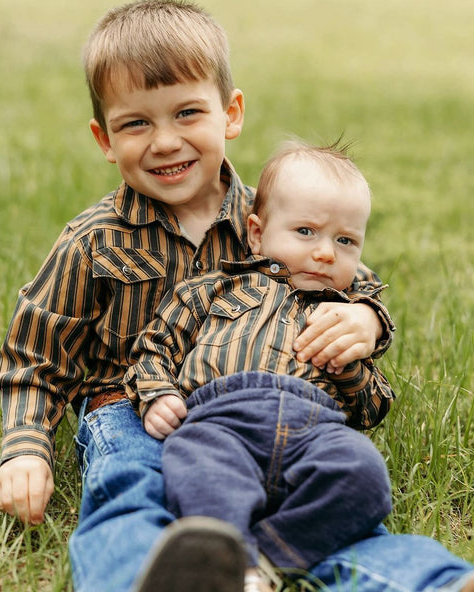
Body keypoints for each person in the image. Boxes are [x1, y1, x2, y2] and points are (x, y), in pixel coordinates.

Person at [0, 0, 474, 592]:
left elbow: (349, 276)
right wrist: (25, 450)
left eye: (187, 112)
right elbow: (35, 358)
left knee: (336, 510)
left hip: (277, 408)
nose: (165, 142)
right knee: (130, 486)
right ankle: (144, 576)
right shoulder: (93, 241)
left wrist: (367, 321)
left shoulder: (278, 218)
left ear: (231, 112)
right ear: (104, 138)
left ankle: (422, 581)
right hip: (133, 409)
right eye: (136, 123)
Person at [123, 140, 395, 591]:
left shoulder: (344, 314)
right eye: (305, 231)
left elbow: (372, 408)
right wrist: (158, 394)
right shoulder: (213, 288)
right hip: (221, 418)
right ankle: (225, 552)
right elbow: (153, 348)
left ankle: (263, 563)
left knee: (365, 474)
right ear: (256, 233)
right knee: (197, 464)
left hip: (317, 427)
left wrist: (350, 364)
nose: (326, 252)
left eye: (345, 241)